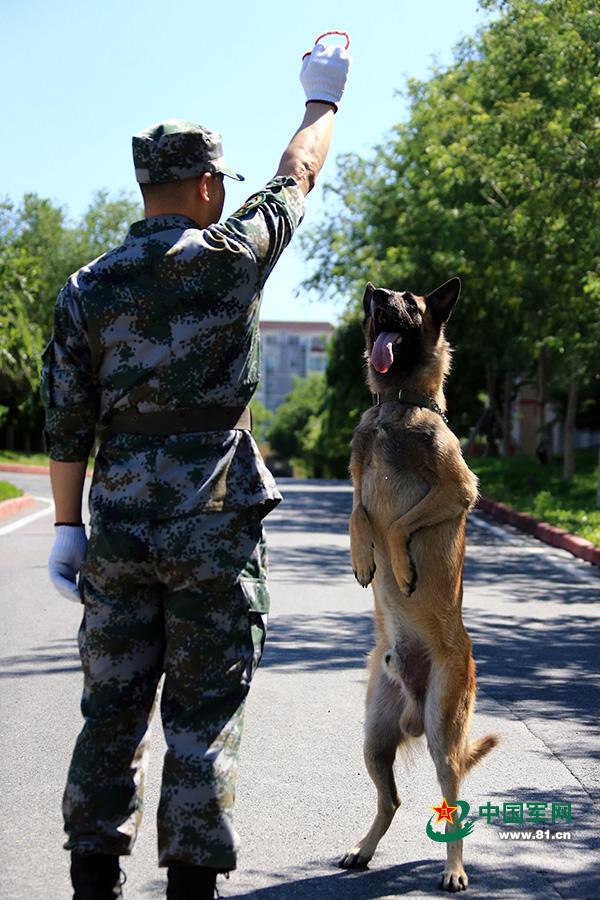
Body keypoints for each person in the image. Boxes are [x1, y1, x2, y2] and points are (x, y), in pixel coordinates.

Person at [41, 36, 351, 900]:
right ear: (209, 185)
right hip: (214, 529)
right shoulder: (233, 255)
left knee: (111, 711)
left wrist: (67, 529)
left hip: (121, 530)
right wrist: (321, 98)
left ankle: (93, 882)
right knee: (202, 720)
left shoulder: (87, 286)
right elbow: (299, 173)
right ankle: (190, 889)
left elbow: (64, 424)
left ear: (147, 187)